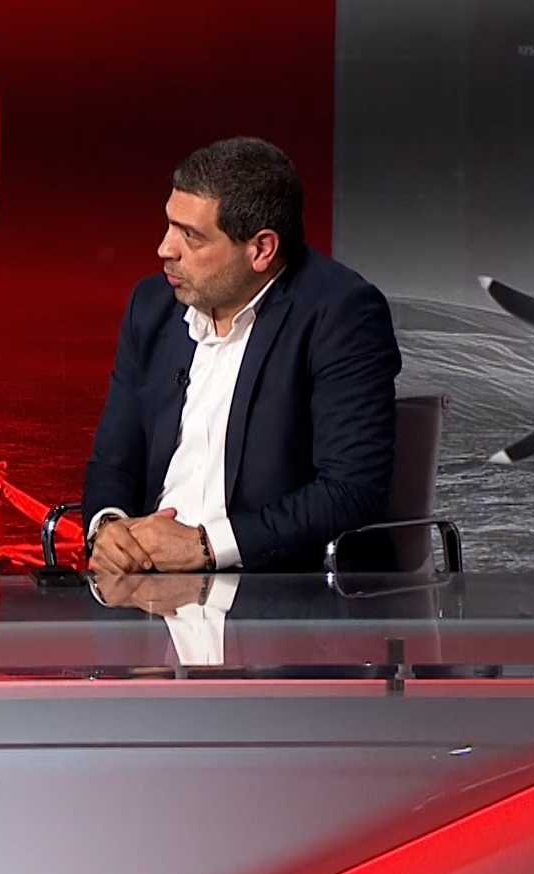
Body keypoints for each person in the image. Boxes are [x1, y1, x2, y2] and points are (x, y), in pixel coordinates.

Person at [83, 137, 400, 574]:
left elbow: (350, 490)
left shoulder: (340, 313)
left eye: (191, 236)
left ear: (261, 249)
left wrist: (206, 546)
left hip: (276, 591)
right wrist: (108, 526)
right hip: (148, 590)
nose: (165, 249)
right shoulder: (152, 305)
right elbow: (112, 461)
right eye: (170, 225)